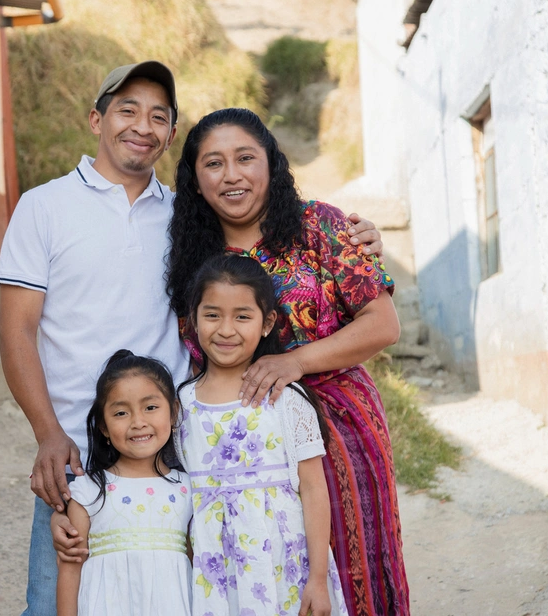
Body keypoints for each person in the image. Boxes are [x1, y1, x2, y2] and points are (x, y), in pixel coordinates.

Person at [0, 60, 383, 616]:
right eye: (126, 110)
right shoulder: (44, 206)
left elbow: (261, 219)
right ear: (95, 119)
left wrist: (356, 234)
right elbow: (16, 331)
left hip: (178, 452)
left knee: (181, 594)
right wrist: (47, 432)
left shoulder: (186, 219)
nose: (142, 126)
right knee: (59, 598)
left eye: (159, 116)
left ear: (171, 135)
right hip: (79, 454)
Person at [166, 108, 410, 616]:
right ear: (195, 182)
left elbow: (382, 324)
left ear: (271, 165)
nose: (231, 175)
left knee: (352, 564)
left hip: (341, 429)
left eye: (245, 158)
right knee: (253, 571)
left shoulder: (320, 225)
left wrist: (294, 362)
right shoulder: (190, 252)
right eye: (213, 163)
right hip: (239, 440)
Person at [176, 254, 350, 616]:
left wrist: (318, 579)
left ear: (267, 323)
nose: (226, 329)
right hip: (215, 577)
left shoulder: (286, 400)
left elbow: (314, 489)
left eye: (242, 316)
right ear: (192, 320)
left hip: (285, 569)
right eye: (212, 315)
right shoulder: (180, 407)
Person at [57, 350, 192, 616]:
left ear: (174, 412)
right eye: (121, 413)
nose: (138, 422)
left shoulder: (187, 489)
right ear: (103, 427)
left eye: (151, 407)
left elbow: (194, 561)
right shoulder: (89, 491)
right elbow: (70, 570)